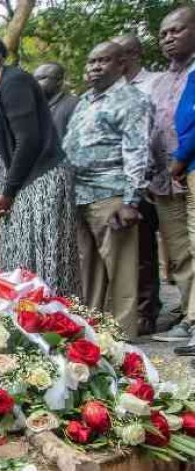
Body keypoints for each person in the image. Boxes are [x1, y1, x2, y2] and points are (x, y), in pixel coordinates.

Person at [0, 30, 80, 297]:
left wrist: (7, 192)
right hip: (23, 186)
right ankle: (27, 316)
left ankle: (53, 317)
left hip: (41, 182)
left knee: (44, 264)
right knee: (22, 265)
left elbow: (28, 141)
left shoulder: (15, 82)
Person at [63, 42, 152, 340]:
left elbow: (138, 151)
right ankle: (90, 332)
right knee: (88, 269)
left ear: (121, 64)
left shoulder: (132, 100)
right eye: (91, 61)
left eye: (103, 61)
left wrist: (131, 201)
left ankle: (122, 337)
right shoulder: (85, 99)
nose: (94, 67)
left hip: (111, 195)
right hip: (80, 195)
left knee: (121, 269)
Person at [112, 33, 163, 335]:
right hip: (112, 182)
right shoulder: (109, 91)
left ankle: (147, 311)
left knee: (144, 250)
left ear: (133, 54)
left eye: (118, 54)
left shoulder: (155, 83)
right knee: (125, 249)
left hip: (147, 178)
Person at [162, 8, 195, 350]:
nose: (169, 38)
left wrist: (181, 159)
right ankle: (190, 317)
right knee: (183, 251)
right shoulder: (164, 79)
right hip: (170, 178)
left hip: (185, 164)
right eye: (164, 33)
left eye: (177, 30)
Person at [33, 62, 80, 139]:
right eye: (33, 79)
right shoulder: (34, 106)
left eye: (41, 78)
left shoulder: (74, 104)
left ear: (59, 81)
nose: (35, 83)